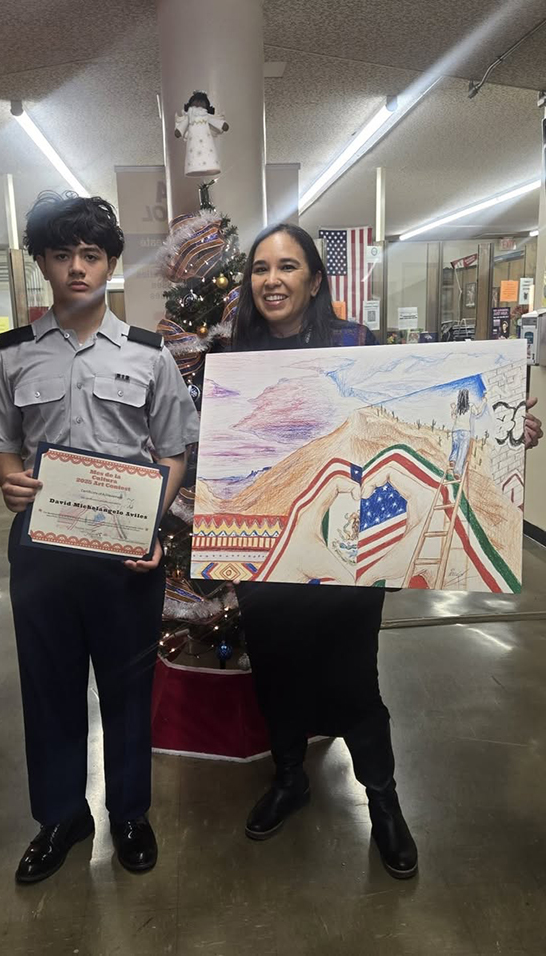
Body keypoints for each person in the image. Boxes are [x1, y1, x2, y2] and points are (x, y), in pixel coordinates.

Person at [228, 223, 543, 880]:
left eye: (288, 267)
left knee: (354, 684)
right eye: (260, 268)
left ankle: (384, 802)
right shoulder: (238, 355)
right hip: (270, 566)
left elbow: (427, 409)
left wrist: (504, 427)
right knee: (276, 675)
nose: (273, 280)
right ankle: (291, 779)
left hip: (351, 558)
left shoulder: (356, 345)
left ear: (315, 279)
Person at [0, 192, 199, 884]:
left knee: (129, 689)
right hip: (42, 551)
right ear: (43, 262)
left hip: (125, 556)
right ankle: (62, 817)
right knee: (49, 688)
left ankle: (130, 813)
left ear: (109, 265)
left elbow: (173, 450)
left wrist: (151, 520)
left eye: (92, 254)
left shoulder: (150, 354)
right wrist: (10, 480)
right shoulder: (11, 357)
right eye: (63, 253)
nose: (78, 266)